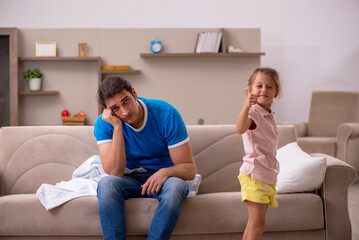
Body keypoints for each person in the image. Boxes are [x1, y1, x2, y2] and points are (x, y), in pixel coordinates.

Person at [94, 76, 197, 240]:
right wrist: (118, 127)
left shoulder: (166, 113)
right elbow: (114, 173)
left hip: (164, 180)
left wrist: (165, 172)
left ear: (134, 93)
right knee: (106, 184)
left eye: (126, 101)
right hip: (128, 178)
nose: (124, 112)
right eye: (115, 108)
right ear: (108, 111)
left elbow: (189, 169)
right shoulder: (104, 124)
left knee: (176, 186)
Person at [235, 67, 281, 240]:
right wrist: (247, 105)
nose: (264, 90)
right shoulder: (253, 113)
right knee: (257, 224)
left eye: (269, 87)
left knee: (255, 224)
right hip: (256, 174)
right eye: (259, 86)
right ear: (250, 90)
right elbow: (240, 128)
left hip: (266, 175)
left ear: (276, 93)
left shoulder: (269, 115)